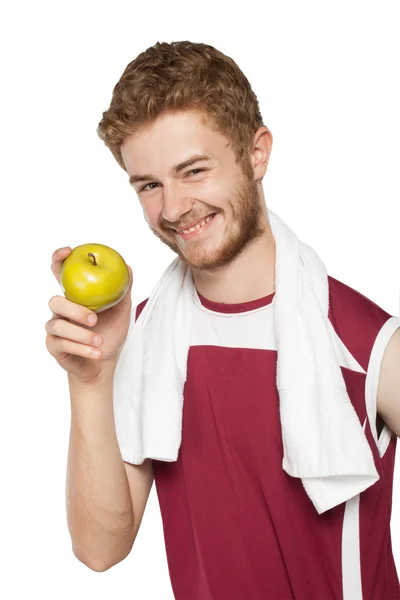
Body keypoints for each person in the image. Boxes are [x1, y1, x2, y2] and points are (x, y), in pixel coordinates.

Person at [45, 41, 400, 599]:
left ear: (256, 153)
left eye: (193, 171)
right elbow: (100, 549)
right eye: (149, 185)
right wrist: (90, 375)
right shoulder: (147, 334)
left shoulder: (368, 343)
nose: (173, 207)